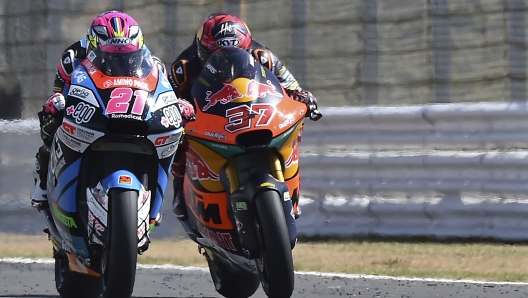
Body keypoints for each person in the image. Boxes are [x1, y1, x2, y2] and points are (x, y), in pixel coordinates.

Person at [168, 12, 319, 221]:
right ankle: (179, 187)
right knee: (176, 142)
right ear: (202, 51)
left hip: (253, 109)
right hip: (206, 117)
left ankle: (291, 189)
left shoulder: (262, 56)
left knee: (295, 125)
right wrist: (177, 108)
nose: (228, 62)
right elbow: (166, 98)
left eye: (236, 53)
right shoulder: (183, 67)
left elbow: (290, 83)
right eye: (216, 55)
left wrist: (302, 95)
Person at [30, 10, 169, 228]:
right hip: (91, 110)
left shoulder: (155, 64)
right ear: (93, 46)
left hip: (133, 115)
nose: (120, 58)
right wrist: (57, 103)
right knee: (51, 121)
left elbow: (162, 92)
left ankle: (150, 204)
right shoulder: (72, 58)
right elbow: (60, 91)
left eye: (127, 54)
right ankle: (44, 180)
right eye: (113, 54)